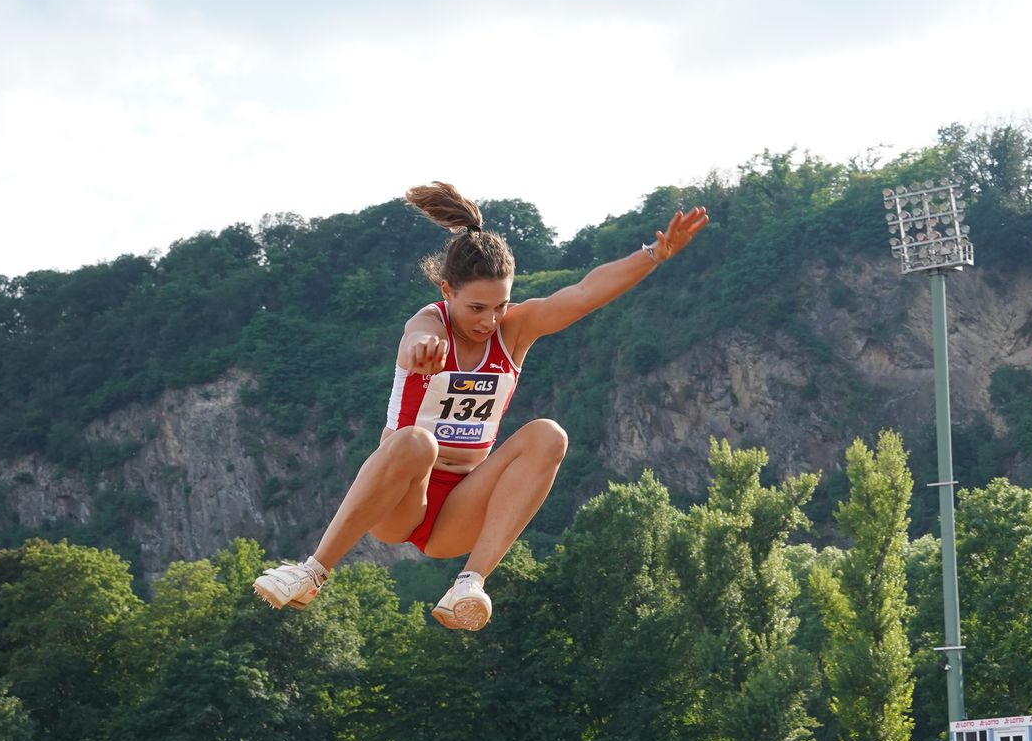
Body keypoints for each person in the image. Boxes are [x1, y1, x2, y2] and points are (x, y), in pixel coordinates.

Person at [253, 182, 709, 631]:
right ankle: (312, 572)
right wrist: (421, 351)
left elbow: (584, 293)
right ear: (448, 290)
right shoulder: (429, 321)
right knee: (417, 441)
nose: (488, 321)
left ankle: (468, 585)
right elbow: (416, 338)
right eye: (476, 308)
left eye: (500, 306)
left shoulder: (512, 331)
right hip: (400, 499)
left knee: (549, 434)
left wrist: (653, 254)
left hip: (460, 509)